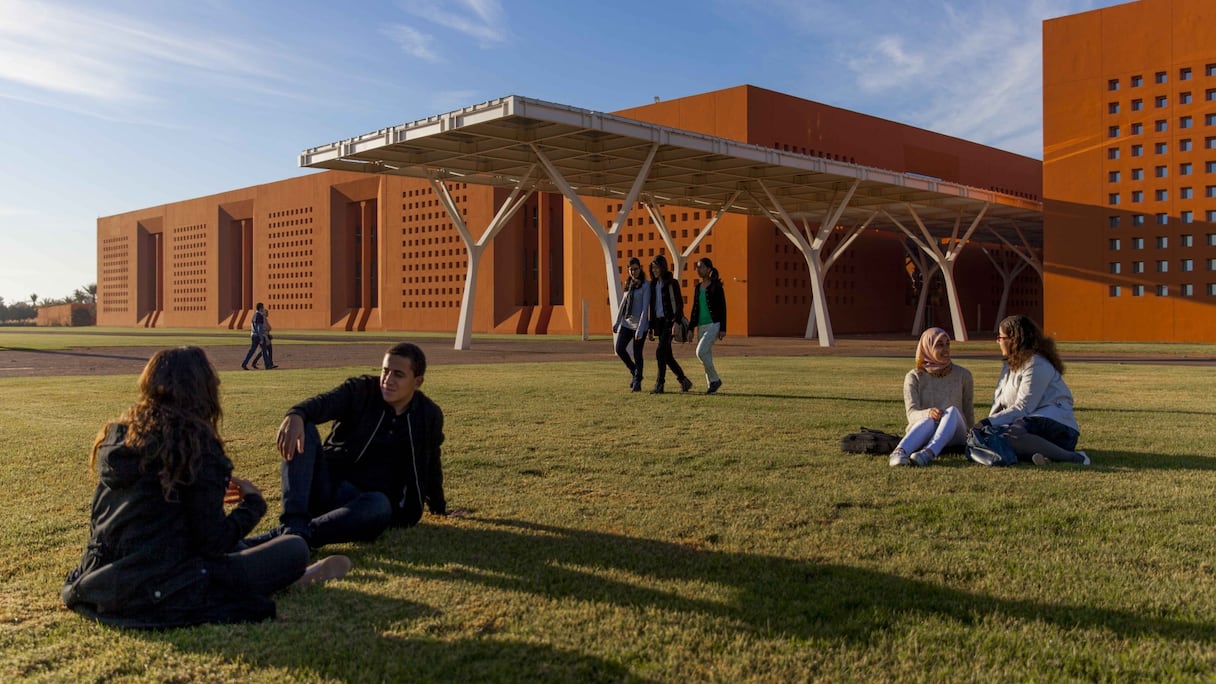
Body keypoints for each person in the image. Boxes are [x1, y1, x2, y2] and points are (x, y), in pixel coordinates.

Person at [62, 347, 350, 629]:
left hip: (101, 579)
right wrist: (252, 504)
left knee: (242, 548)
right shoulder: (196, 447)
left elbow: (152, 520)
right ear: (203, 390)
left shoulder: (119, 438)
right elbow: (212, 543)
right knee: (295, 549)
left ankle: (278, 570)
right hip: (163, 587)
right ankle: (294, 576)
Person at [260, 342, 450, 548]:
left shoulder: (428, 415)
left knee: (380, 507)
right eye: (385, 371)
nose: (387, 380)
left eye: (398, 374)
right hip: (327, 486)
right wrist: (296, 413)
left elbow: (431, 464)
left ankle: (299, 536)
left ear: (418, 381)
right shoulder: (361, 391)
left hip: (367, 503)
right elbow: (323, 403)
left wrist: (439, 508)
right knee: (303, 426)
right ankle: (294, 523)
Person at [980, 315, 1089, 465]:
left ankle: (1075, 458)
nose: (998, 341)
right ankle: (1047, 456)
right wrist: (985, 429)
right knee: (999, 437)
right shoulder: (1009, 366)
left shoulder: (1036, 363)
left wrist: (987, 422)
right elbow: (999, 403)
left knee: (1013, 436)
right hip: (1029, 424)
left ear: (1014, 339)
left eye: (1000, 337)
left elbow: (1023, 407)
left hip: (1057, 426)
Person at [889, 328, 975, 467]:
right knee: (928, 420)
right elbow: (911, 414)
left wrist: (974, 438)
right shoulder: (914, 377)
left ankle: (927, 453)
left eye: (948, 344)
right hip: (926, 430)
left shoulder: (963, 375)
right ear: (927, 347)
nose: (946, 349)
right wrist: (928, 413)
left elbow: (968, 410)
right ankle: (900, 452)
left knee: (952, 411)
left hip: (955, 433)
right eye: (940, 345)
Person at [647, 254, 693, 394]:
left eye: (657, 267)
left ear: (663, 267)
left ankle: (659, 384)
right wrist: (651, 327)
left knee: (660, 352)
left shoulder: (672, 282)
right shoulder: (653, 284)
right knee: (667, 355)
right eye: (653, 268)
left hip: (669, 322)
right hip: (659, 323)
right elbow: (652, 306)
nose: (655, 270)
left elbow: (679, 304)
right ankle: (684, 381)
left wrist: (677, 322)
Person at [687, 257, 727, 394]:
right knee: (706, 356)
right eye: (697, 267)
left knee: (700, 352)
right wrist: (690, 328)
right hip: (701, 326)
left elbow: (723, 308)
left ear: (709, 269)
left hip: (714, 325)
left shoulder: (716, 286)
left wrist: (722, 328)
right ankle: (711, 386)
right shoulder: (698, 288)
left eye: (701, 267)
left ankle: (715, 379)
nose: (698, 269)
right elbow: (695, 309)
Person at [612, 257, 651, 392]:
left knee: (637, 353)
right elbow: (623, 304)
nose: (633, 272)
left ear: (640, 268)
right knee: (620, 348)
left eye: (635, 269)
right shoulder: (629, 284)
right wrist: (617, 322)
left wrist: (640, 329)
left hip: (640, 326)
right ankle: (634, 370)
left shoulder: (646, 285)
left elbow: (645, 308)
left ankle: (637, 381)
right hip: (627, 323)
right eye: (631, 269)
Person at [242, 302, 277, 370]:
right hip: (258, 336)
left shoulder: (254, 315)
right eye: (263, 307)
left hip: (253, 335)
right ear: (261, 308)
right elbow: (259, 328)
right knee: (264, 351)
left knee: (253, 351)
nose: (263, 309)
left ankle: (244, 363)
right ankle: (267, 365)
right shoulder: (259, 316)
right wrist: (261, 338)